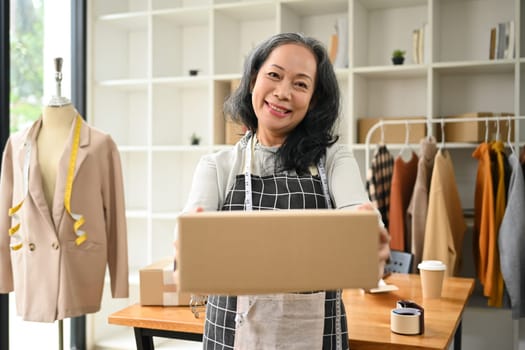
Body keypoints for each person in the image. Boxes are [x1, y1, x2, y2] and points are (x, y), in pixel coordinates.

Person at [179, 32, 390, 350]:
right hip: (230, 335)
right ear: (253, 80)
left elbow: (356, 212)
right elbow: (193, 236)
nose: (282, 93)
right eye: (274, 76)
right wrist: (189, 245)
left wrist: (367, 231)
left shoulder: (333, 160)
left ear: (314, 99)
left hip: (318, 334)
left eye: (301, 84)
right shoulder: (217, 166)